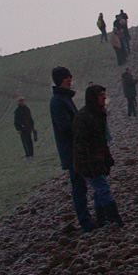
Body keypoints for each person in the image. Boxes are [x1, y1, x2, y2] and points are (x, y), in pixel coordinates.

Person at [49, 66, 98, 232]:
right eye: (65, 77)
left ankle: (90, 218)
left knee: (83, 184)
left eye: (70, 76)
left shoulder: (64, 98)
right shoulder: (57, 101)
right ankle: (85, 221)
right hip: (72, 151)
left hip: (77, 149)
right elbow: (65, 127)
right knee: (79, 186)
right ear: (59, 81)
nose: (69, 79)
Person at [72, 84, 124, 228]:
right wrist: (87, 163)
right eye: (101, 95)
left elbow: (102, 139)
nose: (104, 98)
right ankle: (114, 219)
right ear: (93, 98)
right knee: (103, 188)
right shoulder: (83, 117)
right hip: (88, 161)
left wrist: (107, 157)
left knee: (99, 190)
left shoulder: (99, 113)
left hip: (98, 159)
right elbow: (80, 144)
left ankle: (101, 220)